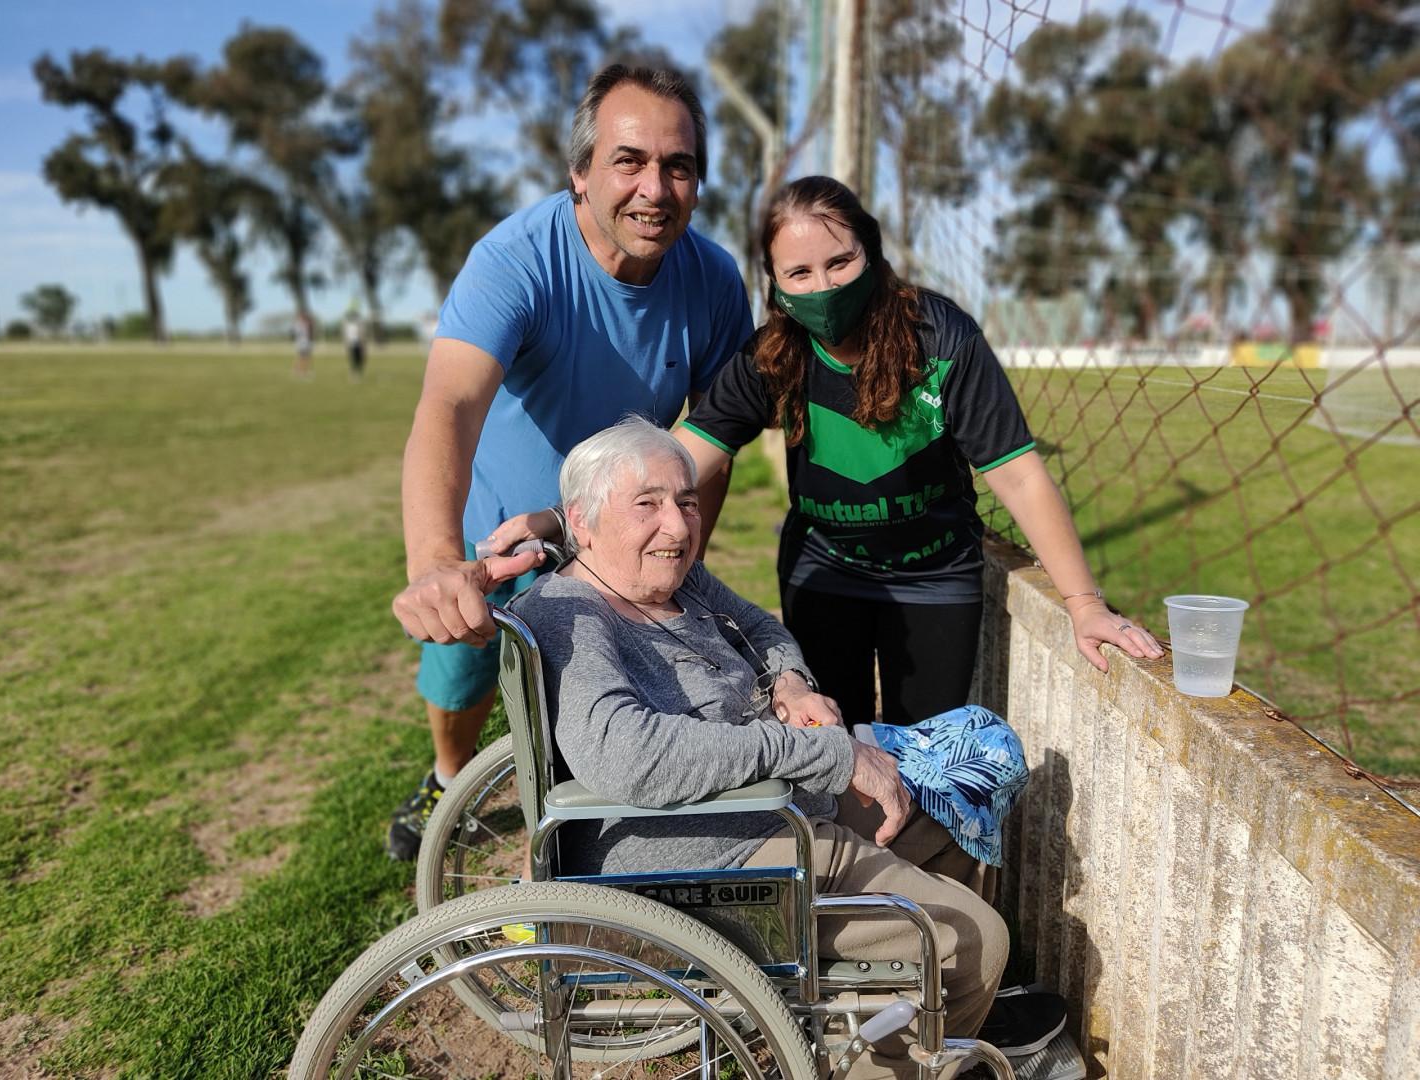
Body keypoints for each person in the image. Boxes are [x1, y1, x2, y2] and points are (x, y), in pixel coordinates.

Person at [509, 419, 1069, 1069]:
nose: (678, 526)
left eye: (686, 501)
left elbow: (759, 625)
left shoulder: (676, 579)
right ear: (581, 521)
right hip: (712, 856)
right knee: (976, 939)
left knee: (952, 813)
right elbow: (626, 754)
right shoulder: (569, 614)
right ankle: (904, 1039)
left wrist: (791, 684)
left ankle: (920, 1014)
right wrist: (826, 754)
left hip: (777, 806)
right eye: (647, 504)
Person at [385, 63, 752, 861]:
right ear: (580, 173)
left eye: (678, 166)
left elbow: (714, 437)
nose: (654, 188)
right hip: (502, 529)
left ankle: (600, 852)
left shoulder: (716, 282)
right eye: (629, 160)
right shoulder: (514, 260)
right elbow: (448, 405)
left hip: (620, 534)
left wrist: (681, 558)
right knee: (462, 673)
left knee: (608, 691)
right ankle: (448, 776)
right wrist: (437, 560)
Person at [669, 176, 1163, 729]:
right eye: (799, 273)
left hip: (936, 573)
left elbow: (1019, 476)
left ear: (872, 252)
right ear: (775, 283)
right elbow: (679, 461)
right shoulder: (772, 356)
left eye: (840, 262)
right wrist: (598, 533)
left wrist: (1084, 604)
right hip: (824, 568)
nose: (823, 288)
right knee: (834, 745)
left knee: (928, 751)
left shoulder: (942, 338)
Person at [343, 309, 366, 382]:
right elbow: (346, 336)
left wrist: (362, 342)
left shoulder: (358, 325)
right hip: (351, 344)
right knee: (353, 359)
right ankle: (353, 372)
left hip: (358, 344)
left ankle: (358, 372)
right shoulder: (348, 326)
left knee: (359, 359)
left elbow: (362, 334)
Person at [292, 312, 314, 379]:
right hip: (301, 343)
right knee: (302, 357)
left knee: (305, 357)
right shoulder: (299, 324)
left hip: (305, 342)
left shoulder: (305, 324)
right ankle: (300, 371)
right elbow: (297, 333)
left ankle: (303, 371)